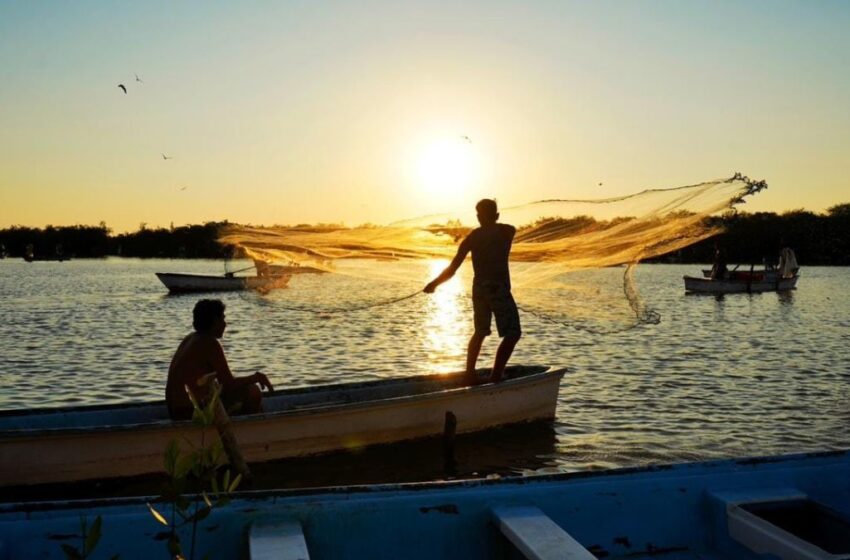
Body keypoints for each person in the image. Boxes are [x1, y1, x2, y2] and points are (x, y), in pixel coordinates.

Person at [424, 199, 521, 384]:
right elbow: (510, 230)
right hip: (497, 288)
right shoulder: (506, 231)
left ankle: (470, 374)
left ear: (478, 217)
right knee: (513, 333)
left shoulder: (471, 238)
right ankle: (496, 376)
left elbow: (452, 268)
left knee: (480, 331)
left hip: (479, 289)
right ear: (497, 215)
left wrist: (434, 284)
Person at [166, 299, 273, 420]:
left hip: (175, 410)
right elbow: (228, 384)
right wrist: (256, 377)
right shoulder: (209, 343)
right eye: (222, 319)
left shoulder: (190, 338)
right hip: (187, 412)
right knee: (253, 391)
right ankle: (248, 431)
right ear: (214, 321)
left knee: (229, 390)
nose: (225, 324)